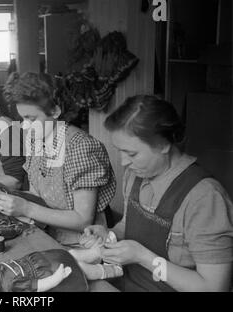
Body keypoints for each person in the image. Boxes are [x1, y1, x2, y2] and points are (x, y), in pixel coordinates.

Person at [81, 95, 233, 292]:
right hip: (129, 284)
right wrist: (109, 235)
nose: (123, 162)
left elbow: (214, 288)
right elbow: (129, 225)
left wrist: (143, 257)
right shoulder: (135, 175)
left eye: (132, 153)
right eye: (120, 151)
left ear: (163, 144)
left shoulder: (205, 198)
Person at [0, 72, 116, 246]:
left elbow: (83, 220)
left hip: (82, 244)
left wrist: (26, 208)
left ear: (56, 110)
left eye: (31, 118)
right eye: (22, 118)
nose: (25, 126)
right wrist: (8, 199)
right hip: (48, 235)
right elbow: (37, 197)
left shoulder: (80, 147)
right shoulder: (37, 140)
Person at [0, 249, 93, 292]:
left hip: (44, 261)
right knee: (85, 270)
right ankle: (112, 269)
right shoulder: (10, 284)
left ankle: (98, 253)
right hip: (50, 273)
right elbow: (37, 286)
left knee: (72, 253)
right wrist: (55, 278)